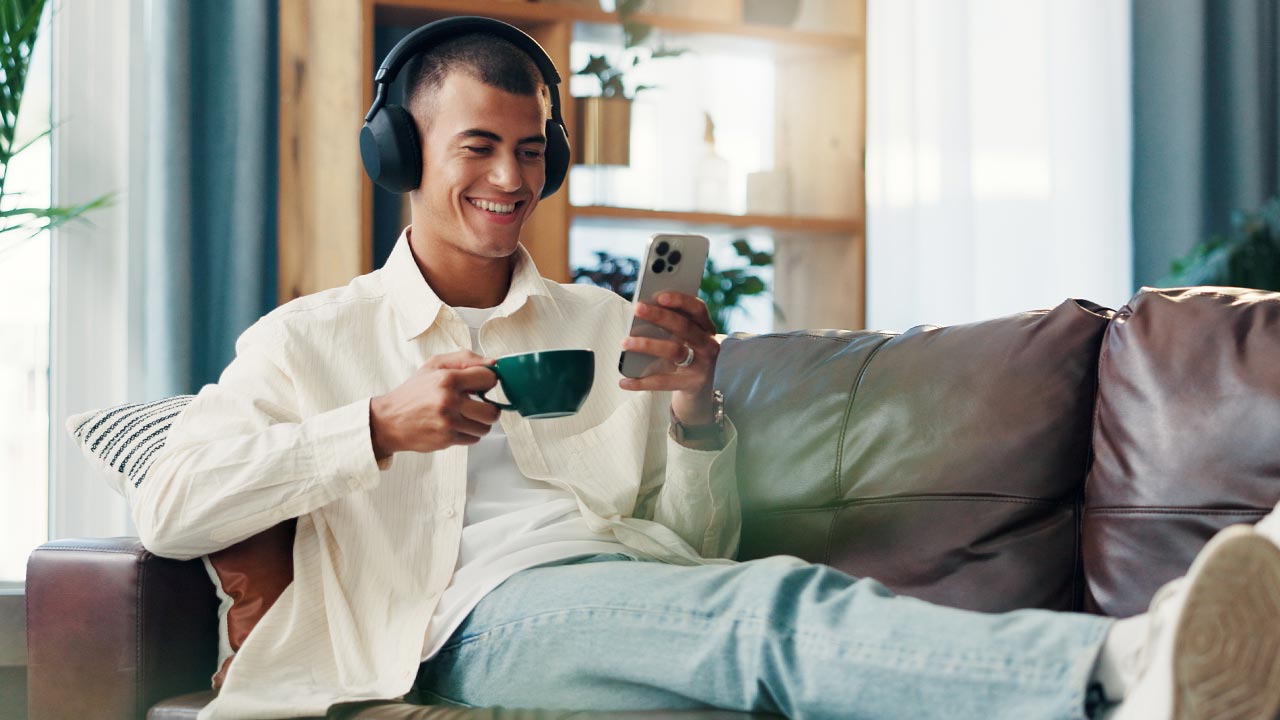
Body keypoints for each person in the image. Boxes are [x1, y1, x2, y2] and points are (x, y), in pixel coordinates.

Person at [129, 17, 1280, 720]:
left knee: (753, 614)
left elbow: (696, 540)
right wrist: (373, 427)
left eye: (530, 150)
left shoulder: (595, 320)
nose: (509, 177)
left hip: (614, 586)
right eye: (476, 147)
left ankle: (1153, 666)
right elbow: (172, 506)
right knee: (765, 614)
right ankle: (1125, 675)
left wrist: (693, 411)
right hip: (453, 628)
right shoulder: (308, 339)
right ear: (401, 156)